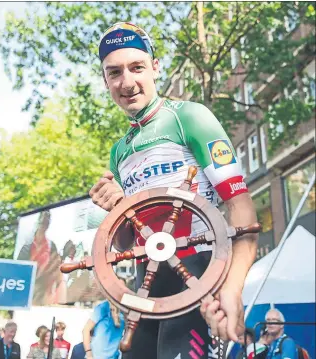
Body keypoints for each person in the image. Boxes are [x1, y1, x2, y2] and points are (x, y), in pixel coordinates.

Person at [89, 22, 259, 359]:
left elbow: (242, 208)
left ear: (155, 67)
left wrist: (232, 288)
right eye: (115, 72)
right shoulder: (118, 151)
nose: (127, 81)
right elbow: (126, 243)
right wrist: (117, 208)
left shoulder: (191, 117)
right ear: (105, 80)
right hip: (146, 289)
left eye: (137, 67)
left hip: (198, 277)